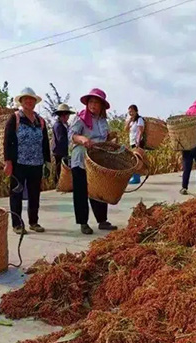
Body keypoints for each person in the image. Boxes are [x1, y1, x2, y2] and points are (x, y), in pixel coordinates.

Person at [68, 88, 118, 235]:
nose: (93, 105)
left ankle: (102, 220)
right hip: (82, 159)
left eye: (96, 102)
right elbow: (72, 135)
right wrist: (82, 139)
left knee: (100, 189)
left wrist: (111, 141)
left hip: (98, 159)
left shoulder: (102, 120)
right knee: (81, 191)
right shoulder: (81, 118)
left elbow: (104, 138)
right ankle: (83, 222)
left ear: (102, 105)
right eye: (91, 102)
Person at [3, 87, 51, 235]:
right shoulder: (15, 118)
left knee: (34, 193)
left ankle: (33, 222)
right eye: (26, 99)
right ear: (21, 101)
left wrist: (47, 161)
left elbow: (45, 143)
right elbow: (7, 141)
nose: (29, 101)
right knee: (16, 193)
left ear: (35, 102)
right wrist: (8, 162)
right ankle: (17, 224)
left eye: (32, 99)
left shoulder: (40, 121)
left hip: (36, 163)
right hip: (19, 163)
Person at [52, 103, 75, 185]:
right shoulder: (58, 125)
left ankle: (61, 183)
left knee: (62, 167)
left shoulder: (64, 125)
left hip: (64, 150)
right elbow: (60, 139)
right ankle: (57, 183)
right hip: (59, 150)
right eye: (67, 115)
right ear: (63, 115)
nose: (68, 117)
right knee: (59, 167)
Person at [124, 104, 145, 185]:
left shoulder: (139, 120)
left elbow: (140, 131)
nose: (131, 113)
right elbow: (125, 129)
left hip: (137, 142)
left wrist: (138, 142)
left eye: (132, 111)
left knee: (136, 160)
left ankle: (136, 178)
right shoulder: (131, 121)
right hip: (132, 142)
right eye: (129, 112)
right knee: (133, 160)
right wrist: (129, 120)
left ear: (136, 111)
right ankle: (135, 177)